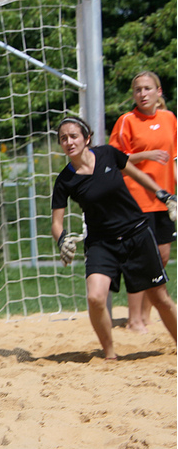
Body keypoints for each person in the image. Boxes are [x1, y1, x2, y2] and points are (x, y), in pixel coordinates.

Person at [51, 115, 177, 360]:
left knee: (159, 297)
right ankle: (110, 356)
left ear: (87, 138)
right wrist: (61, 240)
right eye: (63, 138)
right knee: (95, 298)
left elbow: (136, 173)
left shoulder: (108, 154)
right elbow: (56, 223)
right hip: (101, 243)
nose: (69, 141)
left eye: (74, 136)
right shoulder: (64, 181)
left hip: (136, 233)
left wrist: (163, 194)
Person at [109, 71, 177, 333]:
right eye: (138, 90)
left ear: (159, 92)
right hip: (135, 200)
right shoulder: (127, 121)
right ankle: (134, 318)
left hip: (163, 201)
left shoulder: (169, 119)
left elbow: (172, 160)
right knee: (140, 259)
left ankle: (147, 316)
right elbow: (115, 160)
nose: (143, 94)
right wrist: (145, 154)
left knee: (161, 257)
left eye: (148, 89)